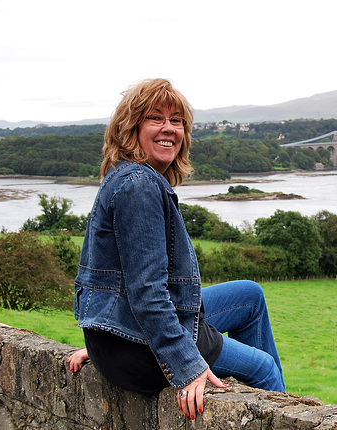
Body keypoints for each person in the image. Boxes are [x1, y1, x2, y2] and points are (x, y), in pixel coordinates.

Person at [68, 78, 284, 421]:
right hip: (137, 351)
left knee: (250, 297)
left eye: (177, 121)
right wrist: (186, 367)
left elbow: (118, 277)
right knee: (265, 368)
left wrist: (109, 336)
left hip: (121, 340)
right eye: (155, 118)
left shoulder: (124, 176)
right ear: (131, 128)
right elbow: (147, 293)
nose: (169, 129)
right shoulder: (139, 186)